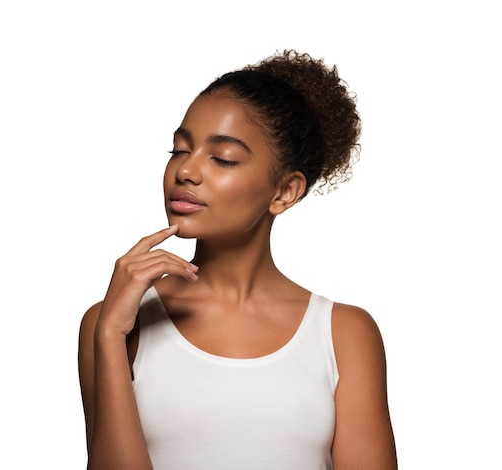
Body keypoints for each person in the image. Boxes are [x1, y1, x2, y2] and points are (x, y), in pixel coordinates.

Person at [78, 50, 397, 469]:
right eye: (179, 150)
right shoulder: (115, 322)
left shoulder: (345, 333)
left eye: (223, 158)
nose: (186, 172)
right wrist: (109, 336)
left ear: (285, 192)